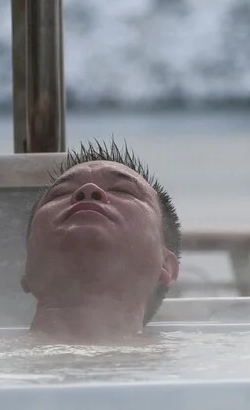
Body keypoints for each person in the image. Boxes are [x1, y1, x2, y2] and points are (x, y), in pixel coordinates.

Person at [21, 140, 181, 341]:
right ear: (27, 267)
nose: (88, 190)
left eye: (123, 190)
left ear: (165, 265)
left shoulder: (209, 360)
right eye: (60, 193)